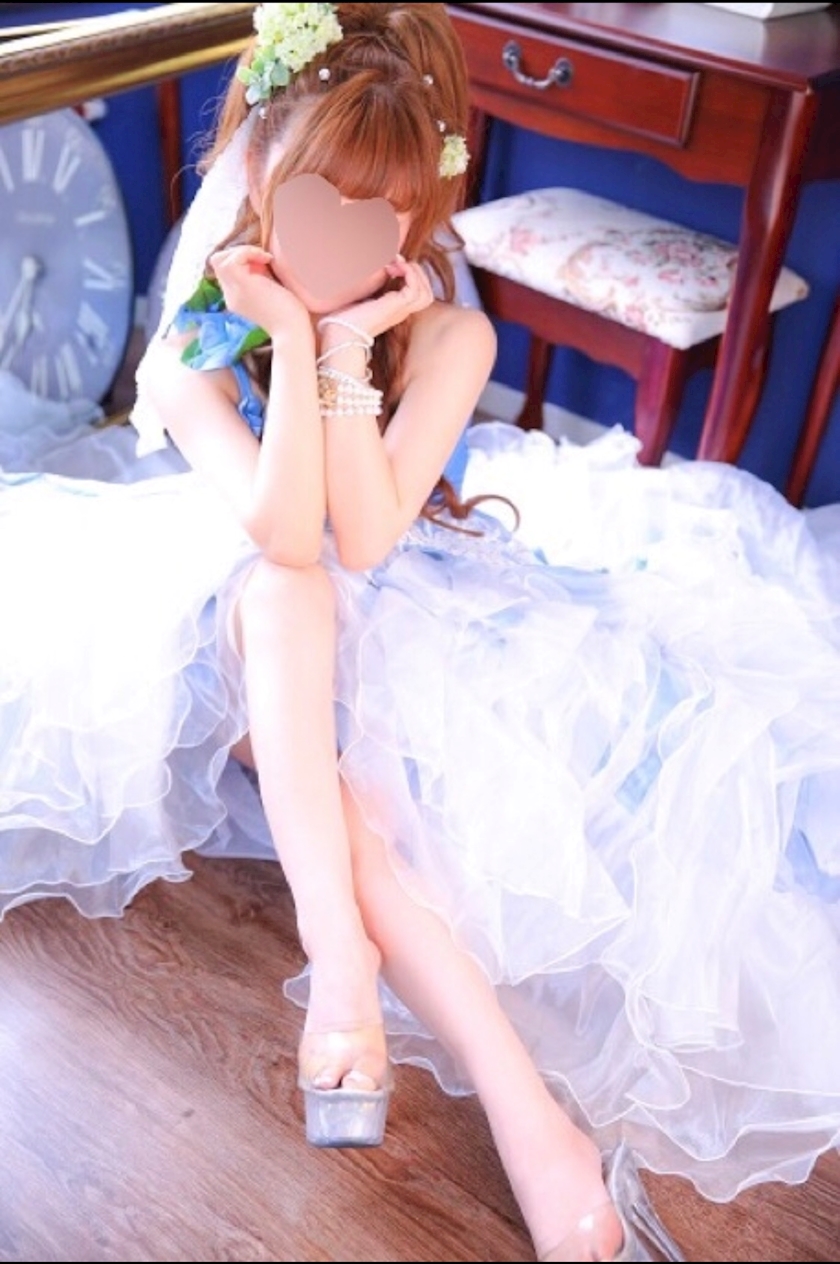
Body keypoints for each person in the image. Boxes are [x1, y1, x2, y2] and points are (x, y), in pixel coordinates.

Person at [1, 3, 839, 1261]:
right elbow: (285, 535)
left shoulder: (451, 335)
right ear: (260, 185)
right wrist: (290, 335)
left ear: (416, 222)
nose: (339, 241)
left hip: (403, 584)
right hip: (231, 598)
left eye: (375, 219)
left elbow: (368, 536)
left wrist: (341, 348)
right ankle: (401, 1016)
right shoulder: (196, 351)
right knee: (282, 600)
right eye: (313, 208)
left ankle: (450, 1056)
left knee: (359, 778)